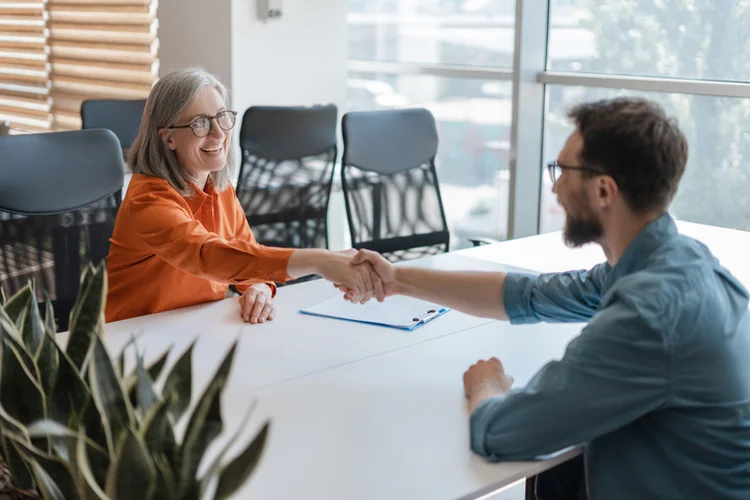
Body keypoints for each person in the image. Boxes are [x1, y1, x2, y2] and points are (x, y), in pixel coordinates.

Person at [341, 97, 750, 499]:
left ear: (604, 190)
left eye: (563, 171)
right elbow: (529, 296)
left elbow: (499, 433)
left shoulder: (648, 315)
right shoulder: (677, 260)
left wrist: (486, 386)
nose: (555, 189)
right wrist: (396, 279)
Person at [106, 68, 384, 324]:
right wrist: (321, 261)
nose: (218, 134)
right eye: (200, 124)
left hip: (195, 328)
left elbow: (246, 259)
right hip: (132, 340)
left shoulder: (220, 187)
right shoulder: (148, 200)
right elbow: (207, 254)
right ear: (168, 138)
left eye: (221, 117)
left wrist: (259, 288)